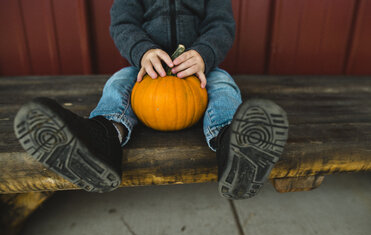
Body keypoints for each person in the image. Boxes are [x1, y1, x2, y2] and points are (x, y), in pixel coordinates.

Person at [14, 0, 288, 199]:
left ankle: (232, 143)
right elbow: (123, 24)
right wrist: (143, 51)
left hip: (196, 68)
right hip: (148, 66)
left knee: (223, 83)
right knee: (120, 81)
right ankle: (104, 137)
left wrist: (204, 53)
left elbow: (222, 25)